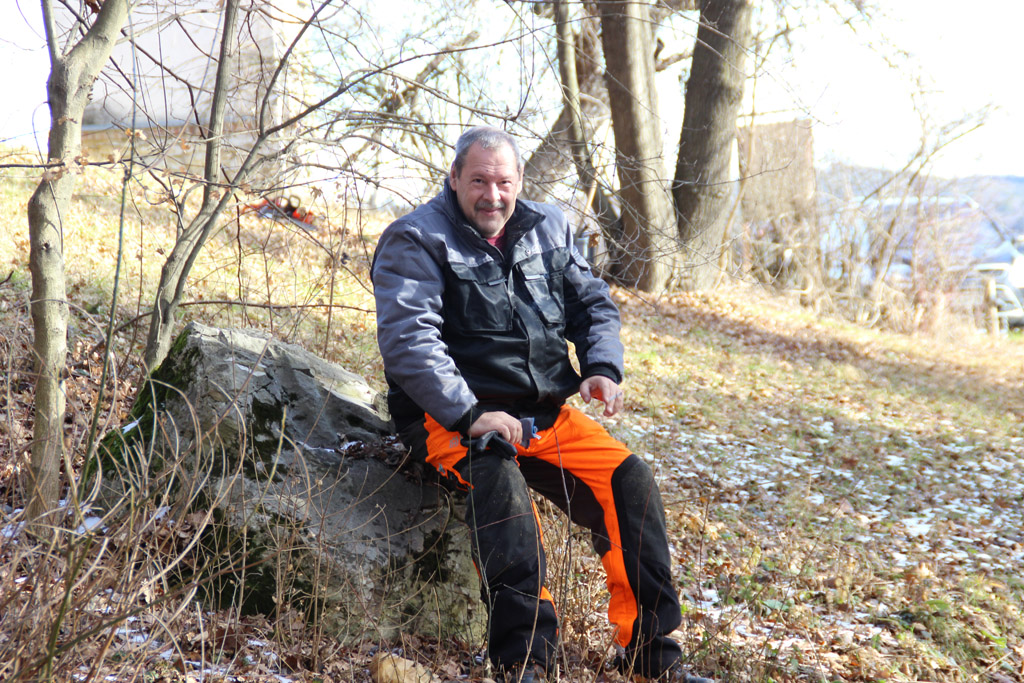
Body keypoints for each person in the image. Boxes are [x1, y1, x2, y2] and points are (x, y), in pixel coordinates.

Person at [371, 126, 712, 683]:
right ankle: (523, 664)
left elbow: (593, 306)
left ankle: (651, 656)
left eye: (504, 181)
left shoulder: (550, 226)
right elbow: (410, 341)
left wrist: (601, 367)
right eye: (478, 180)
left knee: (631, 482)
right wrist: (469, 413)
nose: (492, 194)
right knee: (503, 493)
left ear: (520, 181)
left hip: (545, 415)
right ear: (454, 178)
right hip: (452, 417)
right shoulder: (415, 238)